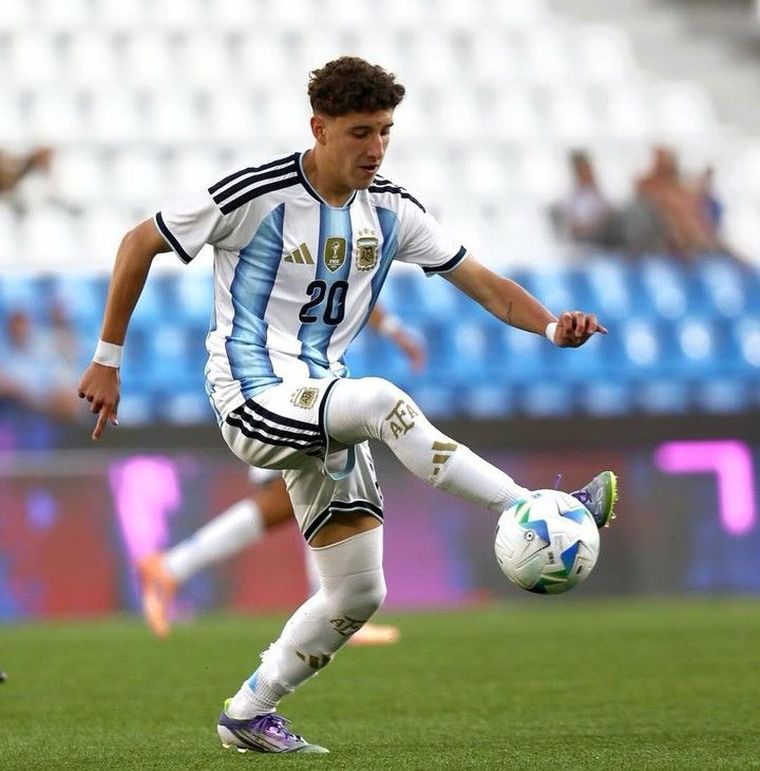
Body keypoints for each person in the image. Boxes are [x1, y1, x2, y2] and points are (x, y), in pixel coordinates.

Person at [78, 56, 618, 755]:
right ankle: (532, 506)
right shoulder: (258, 193)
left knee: (358, 593)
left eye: (386, 131)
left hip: (322, 402)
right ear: (320, 128)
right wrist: (107, 358)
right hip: (252, 393)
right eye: (361, 132)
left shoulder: (391, 208)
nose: (375, 148)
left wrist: (550, 326)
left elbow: (484, 284)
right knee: (382, 400)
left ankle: (247, 712)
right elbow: (138, 241)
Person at [138, 303, 425, 645]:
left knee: (297, 493)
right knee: (303, 487)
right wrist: (393, 329)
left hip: (296, 379)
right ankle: (334, 611)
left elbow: (355, 283)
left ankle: (172, 567)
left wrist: (391, 327)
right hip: (277, 382)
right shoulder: (286, 258)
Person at [551, 150, 622, 250]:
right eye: (585, 170)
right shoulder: (571, 198)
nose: (589, 173)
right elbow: (574, 227)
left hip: (605, 235)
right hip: (587, 239)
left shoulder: (598, 193)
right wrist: (595, 227)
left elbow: (611, 213)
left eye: (589, 169)